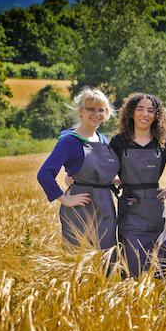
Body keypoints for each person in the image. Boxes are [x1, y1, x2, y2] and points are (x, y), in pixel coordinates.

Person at [36, 87, 120, 251]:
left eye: (101, 110)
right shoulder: (69, 141)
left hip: (105, 207)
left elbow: (103, 175)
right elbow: (44, 174)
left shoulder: (103, 140)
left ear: (107, 113)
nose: (96, 114)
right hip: (81, 209)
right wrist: (65, 199)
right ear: (81, 110)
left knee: (107, 261)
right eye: (91, 109)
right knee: (79, 262)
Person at [111, 92, 166, 275]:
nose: (145, 114)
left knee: (158, 265)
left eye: (150, 110)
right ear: (131, 113)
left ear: (157, 116)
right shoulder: (118, 142)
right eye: (140, 109)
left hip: (155, 210)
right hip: (130, 208)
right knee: (131, 264)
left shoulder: (162, 143)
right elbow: (103, 168)